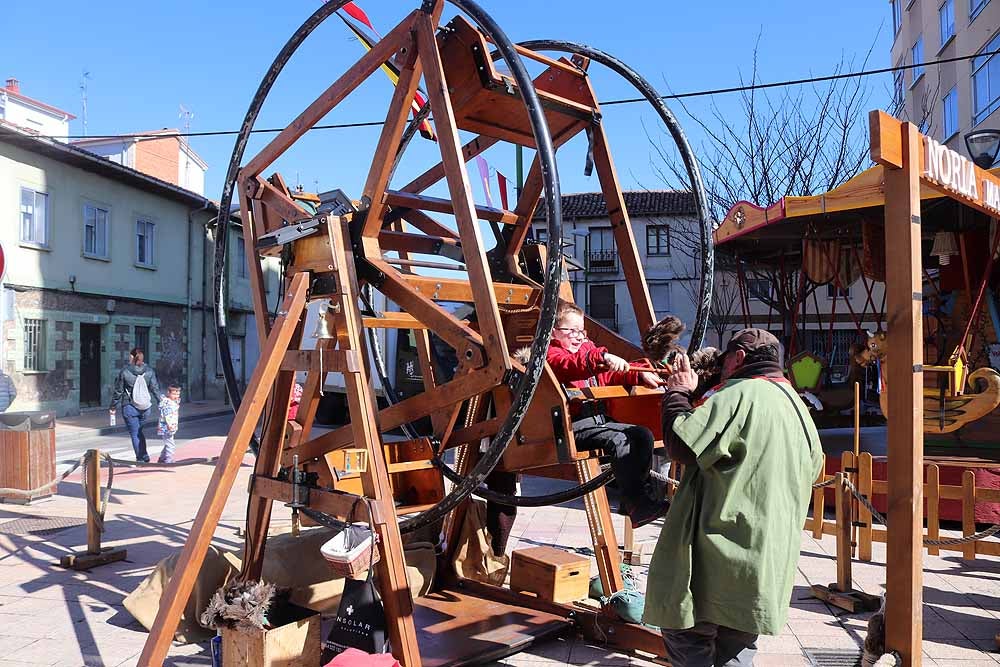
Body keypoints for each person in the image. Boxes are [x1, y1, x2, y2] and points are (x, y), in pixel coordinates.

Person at [643, 329, 824, 667]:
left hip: (718, 554)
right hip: (764, 561)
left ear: (738, 358)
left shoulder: (741, 393)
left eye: (725, 359)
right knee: (736, 646)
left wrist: (678, 392)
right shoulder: (797, 407)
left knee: (686, 633)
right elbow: (813, 471)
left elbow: (681, 444)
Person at [547, 302, 668, 528]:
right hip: (575, 427)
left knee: (642, 435)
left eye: (581, 331)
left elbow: (611, 377)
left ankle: (635, 498)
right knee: (619, 440)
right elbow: (570, 365)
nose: (578, 336)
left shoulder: (588, 352)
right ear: (554, 332)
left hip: (599, 421)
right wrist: (601, 359)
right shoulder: (552, 356)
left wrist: (637, 375)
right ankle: (636, 503)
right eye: (570, 331)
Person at [110, 347, 162, 463]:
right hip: (145, 408)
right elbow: (155, 388)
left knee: (134, 433)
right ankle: (144, 456)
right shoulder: (149, 371)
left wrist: (113, 406)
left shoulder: (125, 372)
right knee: (139, 431)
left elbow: (118, 391)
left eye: (130, 356)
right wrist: (161, 403)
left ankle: (140, 458)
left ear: (132, 357)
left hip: (129, 407)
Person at [157, 384, 181, 464]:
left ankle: (162, 458)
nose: (176, 396)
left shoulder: (171, 402)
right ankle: (168, 459)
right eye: (174, 394)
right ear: (168, 393)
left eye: (178, 394)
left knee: (168, 443)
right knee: (171, 444)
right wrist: (169, 425)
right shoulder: (167, 403)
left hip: (169, 426)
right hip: (167, 426)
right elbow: (167, 416)